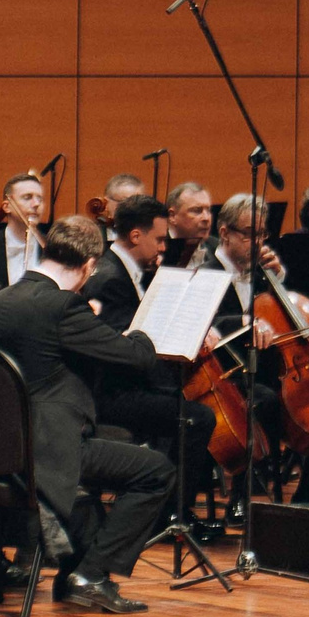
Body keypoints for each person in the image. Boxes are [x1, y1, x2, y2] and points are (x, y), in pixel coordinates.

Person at [0, 215, 174, 614]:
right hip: (51, 450)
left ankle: (80, 574)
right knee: (156, 471)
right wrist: (138, 332)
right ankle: (91, 574)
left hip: (6, 446)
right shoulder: (63, 305)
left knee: (107, 454)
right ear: (88, 265)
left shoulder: (2, 300)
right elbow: (136, 357)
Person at [82, 192, 217, 497]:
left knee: (192, 403)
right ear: (135, 236)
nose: (164, 247)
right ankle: (169, 510)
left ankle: (164, 500)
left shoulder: (123, 270)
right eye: (159, 239)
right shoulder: (110, 279)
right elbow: (121, 346)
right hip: (113, 393)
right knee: (198, 417)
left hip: (130, 384)